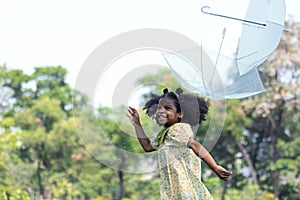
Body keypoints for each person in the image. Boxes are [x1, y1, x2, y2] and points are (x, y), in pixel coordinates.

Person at [127, 88, 232, 199]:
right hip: (173, 190)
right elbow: (147, 146)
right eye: (159, 108)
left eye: (167, 108)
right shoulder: (165, 133)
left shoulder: (178, 129)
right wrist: (137, 124)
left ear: (180, 114)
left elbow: (195, 145)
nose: (161, 111)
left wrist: (215, 167)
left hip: (184, 189)